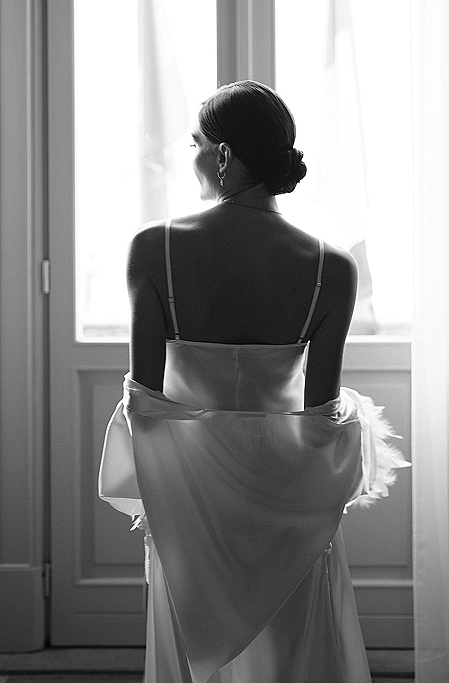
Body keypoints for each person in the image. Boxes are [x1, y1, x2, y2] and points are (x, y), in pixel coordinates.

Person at [99, 80, 409, 683]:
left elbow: (147, 398)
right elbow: (321, 412)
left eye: (195, 142)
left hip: (190, 491)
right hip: (285, 487)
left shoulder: (154, 248)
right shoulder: (331, 268)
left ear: (222, 155)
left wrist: (164, 490)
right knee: (293, 640)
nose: (191, 155)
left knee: (192, 637)